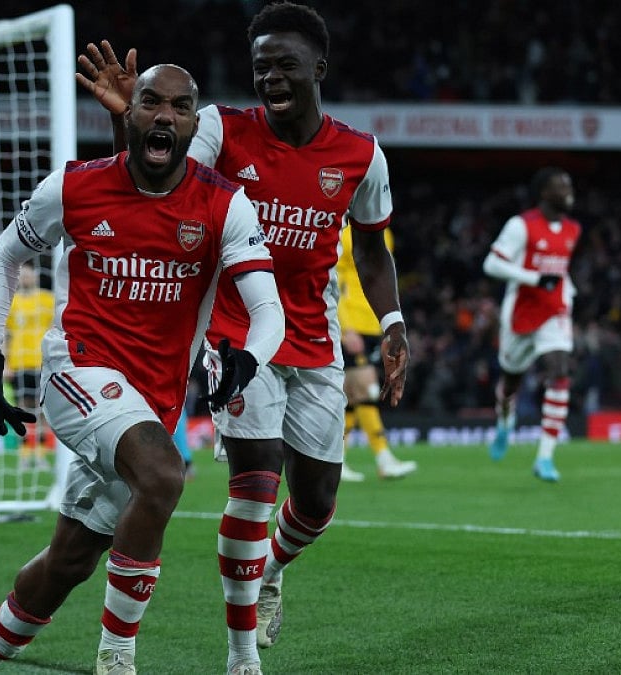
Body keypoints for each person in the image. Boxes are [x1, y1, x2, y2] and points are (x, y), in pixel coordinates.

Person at [76, 4, 410, 670]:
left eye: (285, 65)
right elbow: (150, 174)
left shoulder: (360, 156)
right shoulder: (221, 130)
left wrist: (393, 321)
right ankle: (240, 657)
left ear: (318, 67)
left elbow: (372, 251)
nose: (271, 78)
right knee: (255, 483)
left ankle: (273, 567)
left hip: (313, 339)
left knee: (314, 505)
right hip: (236, 335)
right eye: (260, 67)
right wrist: (125, 118)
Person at [0, 64, 285, 675]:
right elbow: (4, 258)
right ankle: (117, 659)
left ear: (193, 123)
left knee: (70, 560)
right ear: (128, 114)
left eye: (180, 107)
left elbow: (268, 309)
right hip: (76, 368)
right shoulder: (73, 188)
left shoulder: (223, 204)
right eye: (151, 102)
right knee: (163, 475)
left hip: (152, 400)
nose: (165, 115)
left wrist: (250, 357)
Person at [483, 167, 581, 482]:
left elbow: (561, 271)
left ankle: (545, 457)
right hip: (521, 313)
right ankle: (504, 422)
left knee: (560, 369)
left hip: (554, 312)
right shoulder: (521, 226)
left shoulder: (573, 230)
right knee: (511, 381)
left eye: (569, 184)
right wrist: (534, 278)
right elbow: (492, 263)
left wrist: (568, 292)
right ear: (544, 193)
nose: (568, 190)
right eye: (561, 186)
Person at [335, 225, 417, 481]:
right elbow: (334, 279)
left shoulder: (384, 231)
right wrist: (344, 326)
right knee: (367, 390)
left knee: (351, 396)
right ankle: (383, 457)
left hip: (372, 319)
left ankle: (336, 460)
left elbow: (381, 273)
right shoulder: (339, 230)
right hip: (351, 323)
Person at [5, 261, 56, 468]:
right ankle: (25, 454)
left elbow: (55, 329)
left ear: (35, 277)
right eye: (22, 275)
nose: (25, 278)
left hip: (41, 362)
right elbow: (6, 336)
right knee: (22, 409)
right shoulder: (13, 302)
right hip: (18, 363)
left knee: (43, 410)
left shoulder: (48, 299)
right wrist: (5, 363)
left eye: (29, 275)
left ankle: (41, 455)